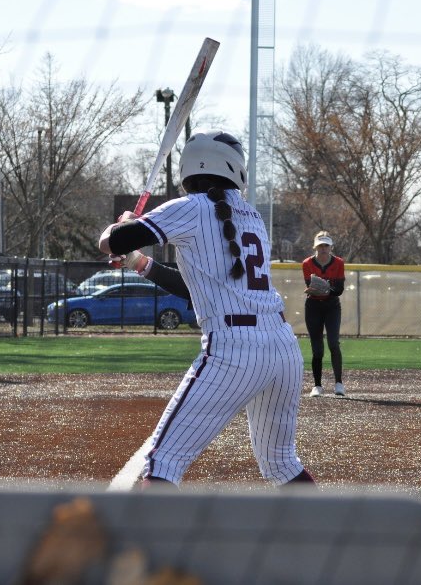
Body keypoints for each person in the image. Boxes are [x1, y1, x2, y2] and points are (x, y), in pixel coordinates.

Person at [98, 130, 314, 488]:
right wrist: (139, 262)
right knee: (281, 464)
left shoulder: (190, 207)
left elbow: (110, 242)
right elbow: (196, 287)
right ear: (234, 168)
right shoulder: (251, 217)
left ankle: (151, 546)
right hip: (282, 348)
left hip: (234, 350)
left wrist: (121, 228)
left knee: (162, 461)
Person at [302, 230, 346, 397]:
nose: (323, 248)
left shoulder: (339, 263)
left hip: (332, 306)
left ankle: (339, 383)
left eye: (326, 245)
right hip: (313, 306)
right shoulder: (307, 263)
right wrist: (324, 288)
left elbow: (339, 290)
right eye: (320, 245)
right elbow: (312, 288)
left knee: (333, 343)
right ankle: (317, 385)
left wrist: (324, 288)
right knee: (317, 348)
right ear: (315, 247)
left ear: (331, 247)